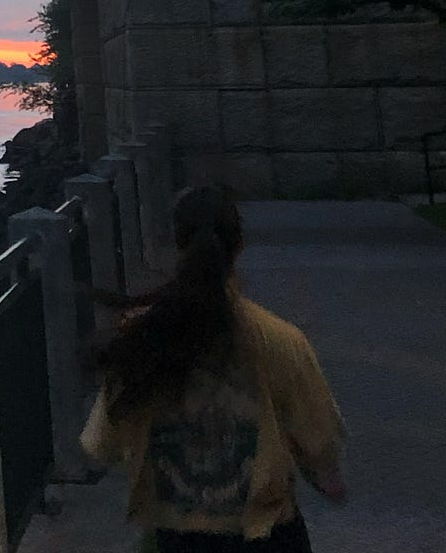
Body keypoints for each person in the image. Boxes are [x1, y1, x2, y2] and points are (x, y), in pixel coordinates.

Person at [80, 185, 344, 552]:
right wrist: (325, 479)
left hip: (178, 537)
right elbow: (320, 450)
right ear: (239, 246)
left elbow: (103, 446)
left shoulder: (144, 338)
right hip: (265, 536)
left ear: (177, 244)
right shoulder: (280, 341)